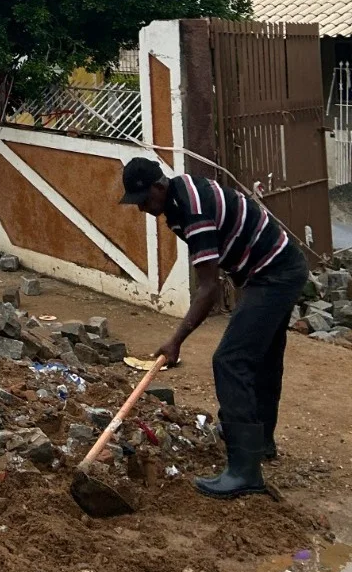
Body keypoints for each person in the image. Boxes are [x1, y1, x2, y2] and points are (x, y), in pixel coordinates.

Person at [119, 157, 308, 499]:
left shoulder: (193, 209)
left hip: (275, 274)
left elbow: (208, 288)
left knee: (230, 360)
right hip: (271, 270)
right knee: (261, 357)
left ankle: (244, 471)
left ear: (160, 187)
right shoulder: (179, 201)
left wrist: (175, 341)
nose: (142, 209)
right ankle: (260, 441)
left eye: (145, 200)